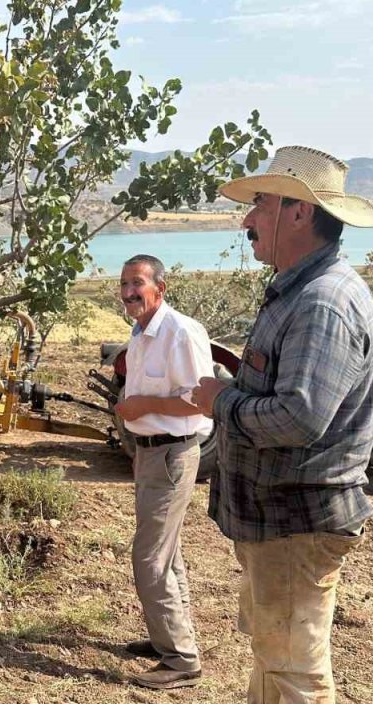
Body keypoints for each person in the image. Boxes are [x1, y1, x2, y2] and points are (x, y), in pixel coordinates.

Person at [190, 145, 373, 704]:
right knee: (276, 658)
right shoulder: (301, 290)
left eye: (261, 204)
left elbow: (298, 418)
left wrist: (221, 401)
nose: (248, 220)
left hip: (296, 520)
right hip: (282, 519)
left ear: (299, 212)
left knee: (294, 669)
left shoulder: (321, 303)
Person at [113, 254, 214, 690]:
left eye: (137, 283)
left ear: (160, 288)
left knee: (149, 558)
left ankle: (182, 659)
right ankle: (169, 640)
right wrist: (138, 426)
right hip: (151, 454)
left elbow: (202, 401)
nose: (128, 292)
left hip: (173, 454)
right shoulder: (140, 333)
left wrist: (144, 407)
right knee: (166, 555)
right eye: (124, 284)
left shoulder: (180, 332)